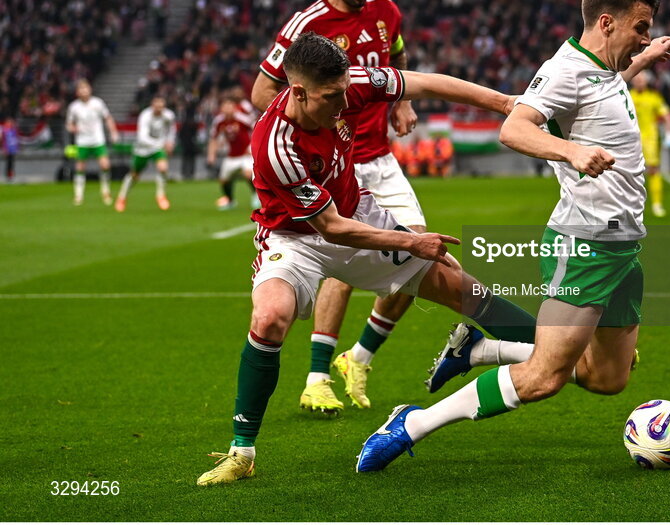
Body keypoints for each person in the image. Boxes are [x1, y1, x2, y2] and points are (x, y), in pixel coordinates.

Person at [356, 0, 670, 472]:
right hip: (586, 242)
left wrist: (642, 58)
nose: (643, 34)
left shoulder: (604, 66)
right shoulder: (565, 70)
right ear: (607, 22)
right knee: (544, 377)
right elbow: (514, 127)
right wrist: (570, 150)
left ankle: (484, 349)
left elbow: (603, 87)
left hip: (624, 248)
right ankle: (412, 424)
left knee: (607, 377)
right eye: (640, 27)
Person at [197, 32, 538, 486]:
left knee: (463, 288)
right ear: (297, 92)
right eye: (330, 98)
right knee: (271, 316)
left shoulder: (348, 83)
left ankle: (558, 344)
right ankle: (243, 452)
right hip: (296, 237)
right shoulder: (275, 144)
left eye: (344, 93)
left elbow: (424, 82)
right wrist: (411, 242)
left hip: (356, 211)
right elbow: (330, 229)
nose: (343, 105)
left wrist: (503, 104)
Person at [250, 0, 430, 414]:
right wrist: (311, 136)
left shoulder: (386, 11)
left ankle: (359, 356)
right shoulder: (307, 24)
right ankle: (315, 376)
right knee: (341, 254)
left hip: (381, 159)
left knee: (417, 257)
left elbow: (397, 59)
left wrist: (402, 102)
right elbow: (263, 93)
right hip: (331, 167)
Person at [114, 96, 176, 212]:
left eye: (161, 107)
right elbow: (142, 138)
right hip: (142, 149)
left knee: (163, 168)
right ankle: (122, 197)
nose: (159, 109)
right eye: (157, 106)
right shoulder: (145, 116)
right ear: (152, 105)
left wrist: (170, 142)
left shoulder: (169, 116)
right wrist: (162, 144)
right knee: (134, 175)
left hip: (157, 148)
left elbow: (171, 130)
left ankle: (161, 196)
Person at [66, 79, 119, 206]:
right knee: (80, 167)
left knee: (105, 165)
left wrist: (113, 132)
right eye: (81, 89)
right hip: (82, 141)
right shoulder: (74, 107)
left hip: (97, 139)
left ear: (90, 89)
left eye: (86, 88)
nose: (84, 91)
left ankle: (105, 191)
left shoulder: (98, 103)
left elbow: (108, 118)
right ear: (78, 92)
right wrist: (74, 129)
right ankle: (78, 195)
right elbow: (69, 124)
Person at [630, 70, 670, 217]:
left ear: (646, 81)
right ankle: (631, 205)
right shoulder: (627, 95)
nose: (639, 81)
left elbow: (667, 116)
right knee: (627, 173)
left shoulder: (654, 97)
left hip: (650, 140)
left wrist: (669, 134)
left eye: (641, 79)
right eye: (637, 79)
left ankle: (657, 204)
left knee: (653, 170)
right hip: (630, 139)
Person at [206, 97, 260, 211]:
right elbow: (213, 138)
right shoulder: (219, 121)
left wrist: (251, 148)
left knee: (248, 174)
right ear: (221, 109)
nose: (227, 109)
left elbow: (258, 129)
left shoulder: (242, 119)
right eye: (225, 107)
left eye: (230, 106)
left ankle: (256, 195)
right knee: (224, 180)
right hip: (231, 155)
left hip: (245, 153)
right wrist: (211, 155)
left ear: (234, 108)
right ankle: (230, 201)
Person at [2, 116, 18, 182]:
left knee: (12, 162)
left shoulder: (14, 131)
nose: (10, 124)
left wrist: (16, 147)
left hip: (13, 148)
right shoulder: (5, 131)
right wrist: (5, 148)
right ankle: (8, 175)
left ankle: (11, 174)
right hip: (8, 149)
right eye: (9, 122)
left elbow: (15, 140)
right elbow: (4, 140)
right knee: (8, 162)